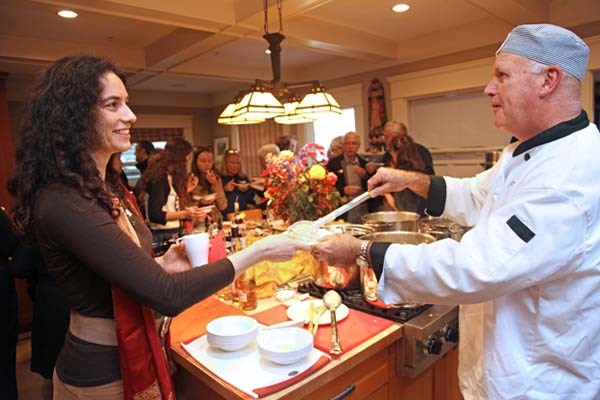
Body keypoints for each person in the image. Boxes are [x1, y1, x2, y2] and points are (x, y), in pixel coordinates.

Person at [313, 24, 600, 399]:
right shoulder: (528, 151)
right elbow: (477, 195)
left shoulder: (568, 175)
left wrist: (362, 251)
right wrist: (407, 179)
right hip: (502, 369)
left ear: (549, 79)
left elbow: (477, 267)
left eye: (502, 76)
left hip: (539, 384)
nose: (489, 89)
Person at [12, 55, 310, 399]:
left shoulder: (107, 187)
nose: (130, 115)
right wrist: (260, 251)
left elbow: (117, 273)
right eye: (113, 105)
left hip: (129, 352)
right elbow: (166, 296)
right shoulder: (64, 200)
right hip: (102, 371)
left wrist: (159, 265)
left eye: (127, 103)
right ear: (73, 117)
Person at [137, 137, 205, 243]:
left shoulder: (168, 176)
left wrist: (187, 189)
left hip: (170, 232)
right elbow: (155, 215)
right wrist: (185, 214)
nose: (188, 162)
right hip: (162, 235)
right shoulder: (159, 178)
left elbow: (169, 204)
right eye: (188, 158)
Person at [326, 132, 378, 223]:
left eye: (354, 143)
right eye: (347, 143)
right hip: (343, 209)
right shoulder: (333, 163)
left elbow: (374, 189)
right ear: (343, 145)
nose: (351, 147)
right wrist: (343, 190)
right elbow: (327, 187)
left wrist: (366, 175)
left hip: (362, 208)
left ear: (358, 145)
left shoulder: (365, 164)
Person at [383, 134, 427, 214]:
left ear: (396, 152)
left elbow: (402, 209)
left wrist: (386, 192)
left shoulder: (402, 174)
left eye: (391, 152)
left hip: (412, 220)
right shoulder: (420, 167)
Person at [190, 146, 227, 213]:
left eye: (210, 161)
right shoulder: (191, 179)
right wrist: (200, 202)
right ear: (195, 162)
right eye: (203, 161)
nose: (207, 164)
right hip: (198, 217)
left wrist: (214, 184)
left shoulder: (216, 177)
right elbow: (185, 204)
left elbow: (223, 205)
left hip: (215, 217)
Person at [220, 149, 255, 217]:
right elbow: (218, 200)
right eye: (232, 163)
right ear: (225, 164)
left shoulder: (243, 178)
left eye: (238, 163)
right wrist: (224, 190)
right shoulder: (220, 179)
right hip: (227, 215)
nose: (235, 166)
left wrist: (247, 190)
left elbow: (250, 199)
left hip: (244, 214)